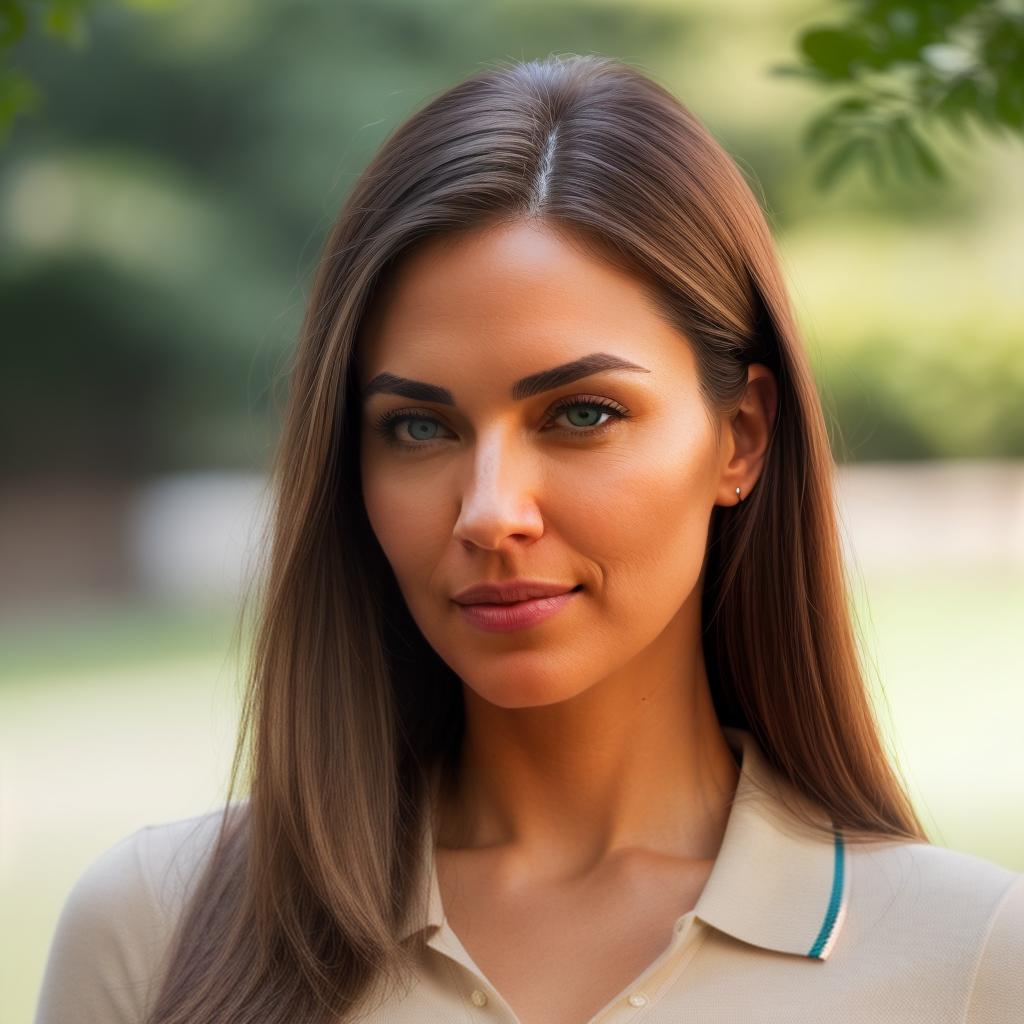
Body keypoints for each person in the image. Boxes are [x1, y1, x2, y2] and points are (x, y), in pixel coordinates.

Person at [34, 53, 1022, 1024]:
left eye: (580, 413)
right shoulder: (156, 929)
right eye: (419, 427)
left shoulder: (970, 960)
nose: (490, 511)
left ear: (740, 437)